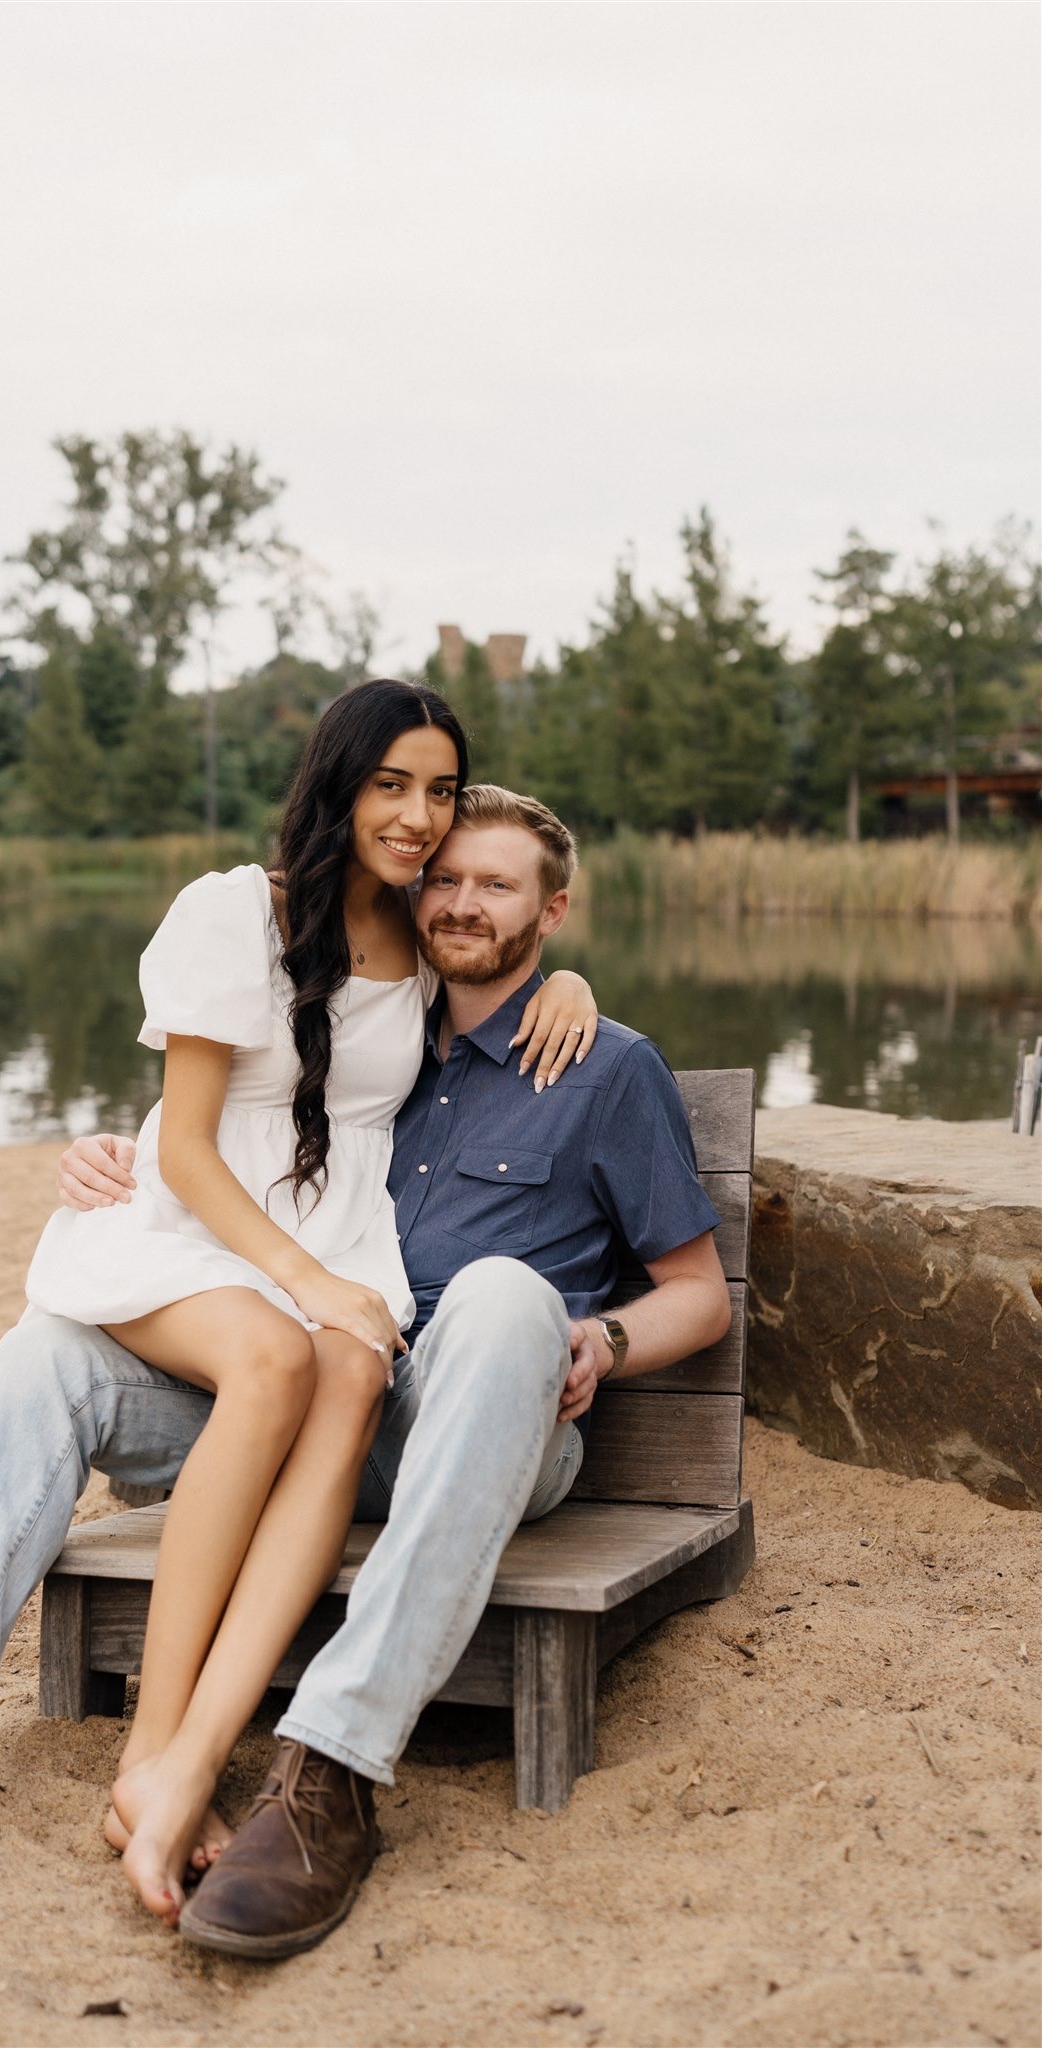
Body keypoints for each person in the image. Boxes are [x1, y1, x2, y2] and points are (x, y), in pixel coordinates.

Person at [0, 688, 595, 1906]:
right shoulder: (231, 912)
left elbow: (502, 943)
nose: (421, 817)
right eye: (391, 783)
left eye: (439, 788)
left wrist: (568, 980)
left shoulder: (424, 942)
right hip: (206, 1233)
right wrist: (296, 1270)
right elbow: (197, 1147)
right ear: (335, 781)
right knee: (132, 1353)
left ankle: (181, 1757)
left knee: (344, 1362)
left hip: (338, 1249)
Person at [55, 783, 732, 1959]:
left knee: (504, 1288)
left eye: (500, 883)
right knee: (48, 1343)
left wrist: (605, 1338)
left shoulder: (607, 1066)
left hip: (509, 1418)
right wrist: (115, 1152)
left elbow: (701, 1293)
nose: (464, 901)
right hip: (349, 1406)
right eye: (448, 879)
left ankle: (329, 1762)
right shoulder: (386, 1042)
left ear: (554, 907)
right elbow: (241, 1122)